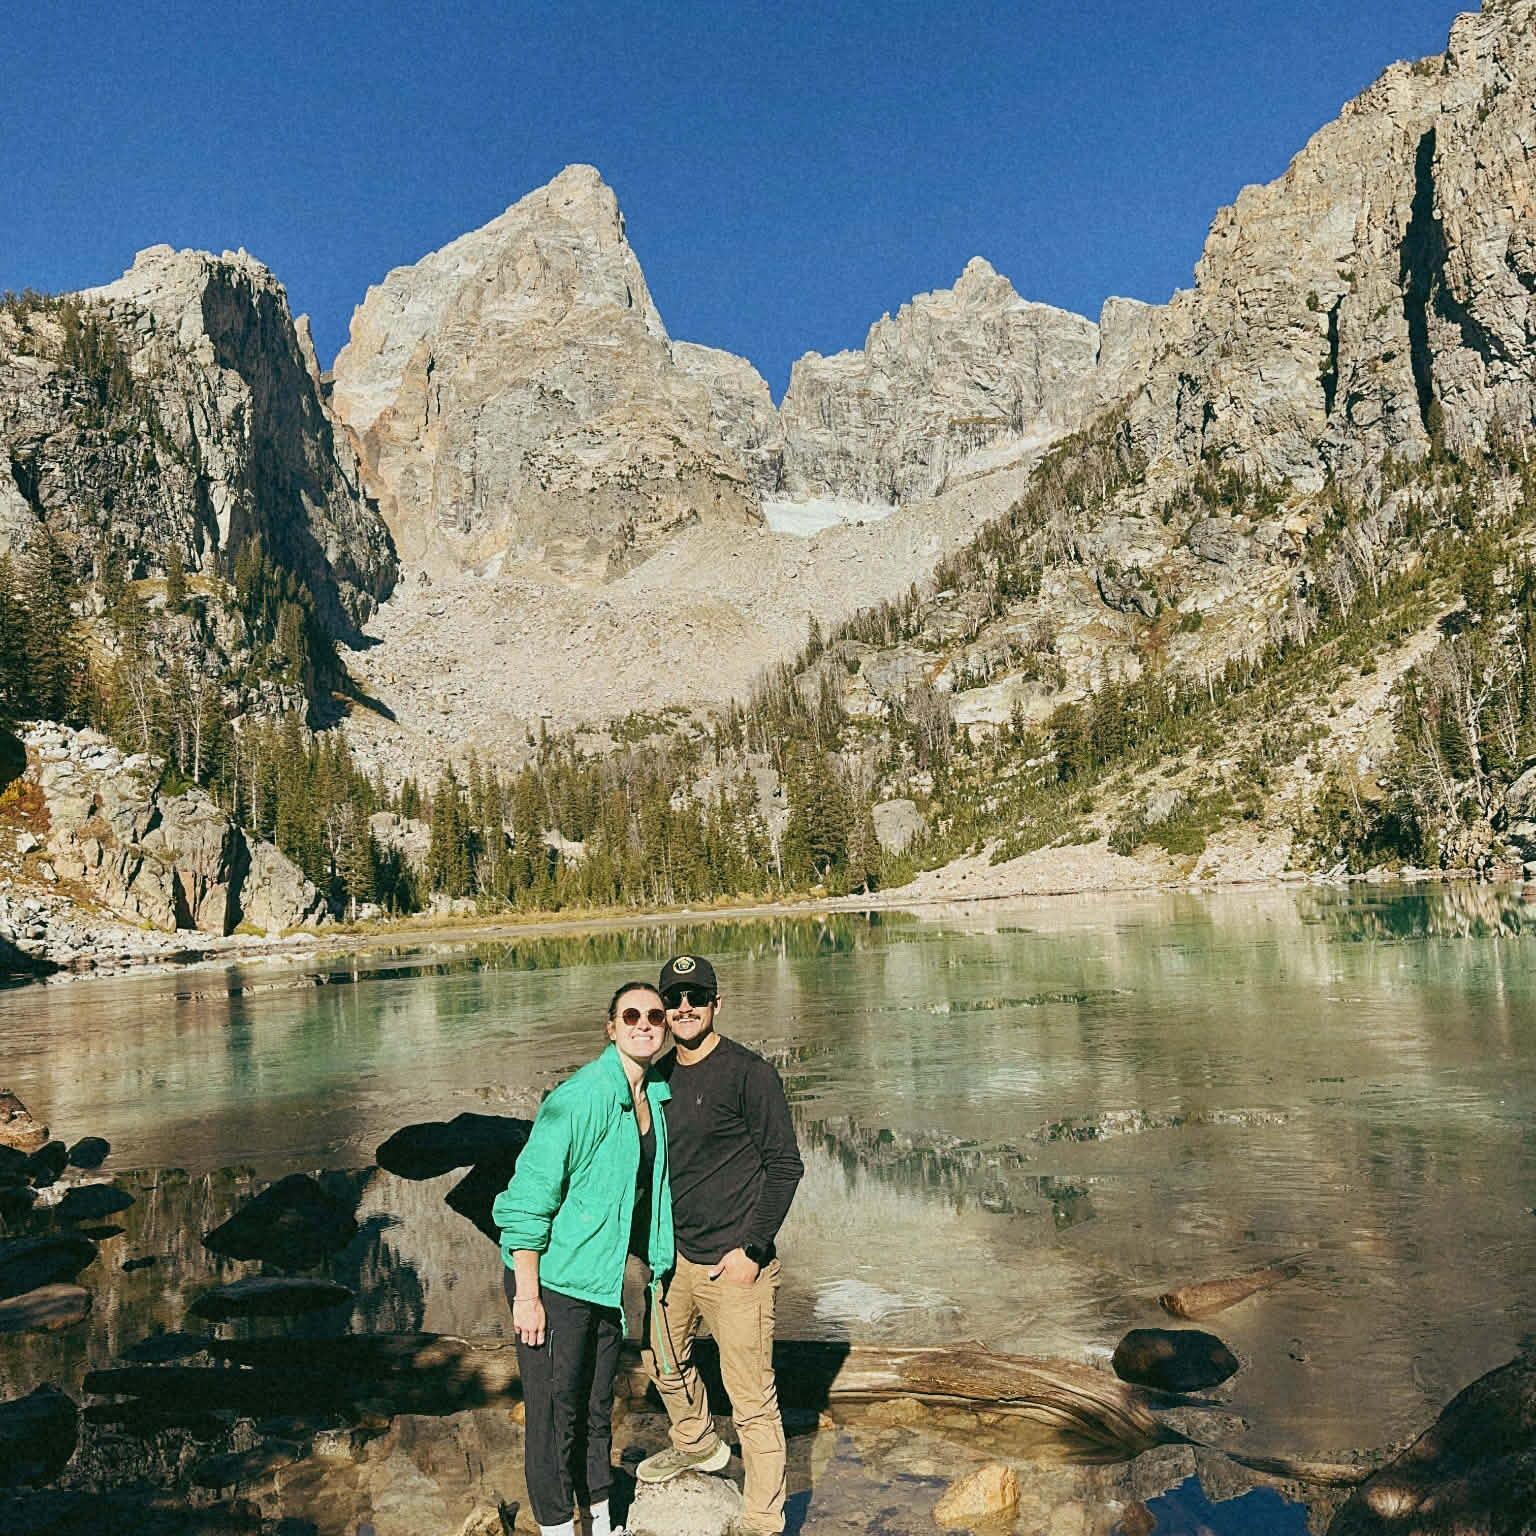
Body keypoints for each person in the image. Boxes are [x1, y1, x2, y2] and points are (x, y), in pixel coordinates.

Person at [493, 981, 676, 1536]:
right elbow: (525, 1203)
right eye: (631, 1015)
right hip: (553, 1281)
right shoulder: (581, 1097)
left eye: (655, 1015)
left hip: (600, 1283)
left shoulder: (653, 1098)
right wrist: (527, 1295)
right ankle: (553, 1525)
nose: (645, 1024)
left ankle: (599, 1515)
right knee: (552, 1417)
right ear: (611, 1026)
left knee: (598, 1408)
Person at [636, 953, 804, 1536]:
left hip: (736, 1264)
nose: (684, 1008)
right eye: (673, 1000)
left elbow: (785, 1167)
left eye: (696, 997)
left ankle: (762, 1517)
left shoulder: (749, 1073)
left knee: (753, 1400)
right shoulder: (657, 1077)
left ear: (716, 1004)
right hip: (674, 1258)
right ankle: (698, 1442)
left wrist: (752, 1249)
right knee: (661, 1358)